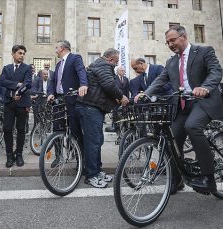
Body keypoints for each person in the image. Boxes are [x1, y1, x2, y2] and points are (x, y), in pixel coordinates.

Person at [135, 25, 223, 194]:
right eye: (167, 42)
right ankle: (176, 180)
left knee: (192, 127)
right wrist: (145, 94)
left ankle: (208, 178)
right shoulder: (171, 62)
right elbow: (160, 80)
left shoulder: (204, 51)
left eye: (173, 40)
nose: (170, 44)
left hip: (202, 102)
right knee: (170, 141)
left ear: (184, 36)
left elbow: (215, 72)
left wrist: (205, 87)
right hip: (182, 107)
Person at [76, 48, 129, 188]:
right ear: (111, 59)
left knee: (97, 141)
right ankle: (91, 175)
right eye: (116, 62)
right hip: (90, 107)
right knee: (93, 142)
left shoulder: (99, 64)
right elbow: (109, 84)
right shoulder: (104, 65)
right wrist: (121, 96)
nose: (116, 65)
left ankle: (97, 170)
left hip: (94, 107)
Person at [47, 40, 88, 168]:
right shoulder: (58, 64)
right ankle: (58, 157)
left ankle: (79, 160)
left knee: (75, 130)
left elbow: (81, 71)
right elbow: (53, 81)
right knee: (57, 129)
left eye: (56, 47)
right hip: (59, 100)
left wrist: (84, 84)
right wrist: (50, 93)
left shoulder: (75, 58)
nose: (55, 50)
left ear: (63, 48)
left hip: (72, 100)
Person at [0, 45, 32, 168]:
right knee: (7, 128)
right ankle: (9, 155)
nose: (22, 55)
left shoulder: (27, 68)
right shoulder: (7, 68)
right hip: (9, 103)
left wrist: (19, 92)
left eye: (23, 53)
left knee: (21, 129)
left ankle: (19, 154)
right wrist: (17, 85)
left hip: (22, 103)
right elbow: (2, 82)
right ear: (13, 54)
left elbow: (28, 83)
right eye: (19, 53)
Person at [105, 65, 130, 132]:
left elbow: (127, 90)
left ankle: (125, 127)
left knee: (124, 113)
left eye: (124, 70)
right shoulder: (113, 78)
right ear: (118, 71)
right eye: (122, 70)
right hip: (116, 100)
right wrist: (115, 98)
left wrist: (127, 99)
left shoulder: (126, 79)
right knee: (115, 113)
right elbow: (112, 89)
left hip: (124, 100)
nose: (124, 72)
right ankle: (115, 127)